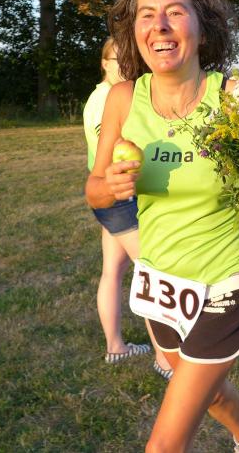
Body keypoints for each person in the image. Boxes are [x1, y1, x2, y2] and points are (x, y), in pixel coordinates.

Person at [85, 0, 239, 453]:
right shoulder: (122, 99)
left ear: (202, 28)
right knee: (207, 391)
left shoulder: (235, 97)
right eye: (147, 15)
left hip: (225, 281)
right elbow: (94, 191)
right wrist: (111, 185)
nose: (160, 25)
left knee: (164, 444)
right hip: (160, 282)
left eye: (175, 12)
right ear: (135, 32)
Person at [83, 37, 174, 379]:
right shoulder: (107, 100)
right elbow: (115, 149)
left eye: (127, 60)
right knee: (152, 273)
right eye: (115, 60)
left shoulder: (101, 95)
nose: (123, 67)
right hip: (117, 196)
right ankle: (165, 359)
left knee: (113, 270)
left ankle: (116, 346)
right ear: (103, 63)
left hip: (109, 198)